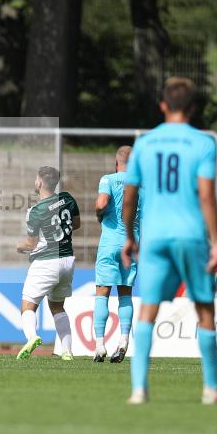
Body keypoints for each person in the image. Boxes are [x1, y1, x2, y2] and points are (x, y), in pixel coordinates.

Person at [122, 77, 217, 405]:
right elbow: (206, 194)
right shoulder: (203, 143)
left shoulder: (145, 143)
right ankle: (210, 388)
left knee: (148, 308)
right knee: (204, 308)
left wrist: (130, 236)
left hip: (155, 236)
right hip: (190, 235)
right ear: (192, 108)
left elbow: (129, 195)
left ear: (162, 105)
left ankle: (138, 389)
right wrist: (216, 241)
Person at [15, 167, 80, 361]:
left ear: (40, 183)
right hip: (67, 261)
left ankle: (32, 337)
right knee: (58, 307)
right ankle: (67, 351)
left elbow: (31, 243)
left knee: (28, 306)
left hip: (46, 261)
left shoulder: (36, 211)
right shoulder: (68, 198)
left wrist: (19, 246)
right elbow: (75, 224)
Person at [92, 146, 139, 363]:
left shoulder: (108, 179)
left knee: (102, 292)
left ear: (115, 161)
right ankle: (123, 342)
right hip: (132, 244)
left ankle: (100, 345)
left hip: (110, 242)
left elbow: (101, 203)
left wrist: (99, 214)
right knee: (125, 294)